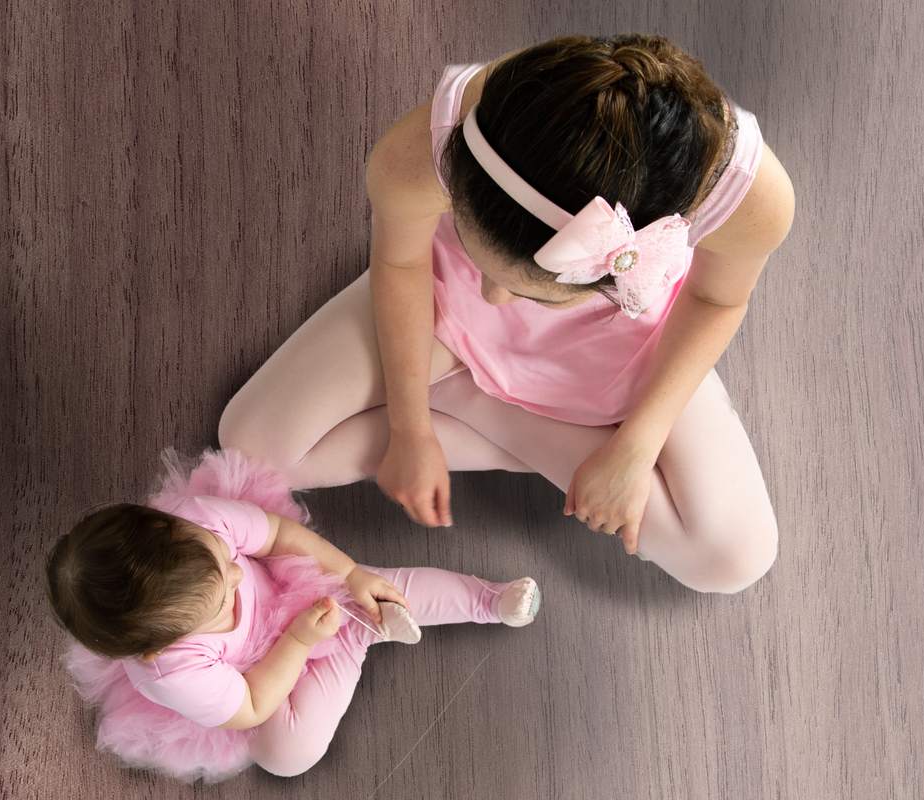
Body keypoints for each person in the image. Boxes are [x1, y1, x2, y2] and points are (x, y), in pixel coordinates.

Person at [219, 34, 794, 595]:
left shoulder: (751, 196)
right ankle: (500, 403)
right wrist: (410, 426)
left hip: (623, 337)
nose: (495, 296)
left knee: (735, 558)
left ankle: (474, 395)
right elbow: (401, 265)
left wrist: (635, 447)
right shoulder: (426, 146)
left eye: (532, 292)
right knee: (251, 446)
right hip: (440, 304)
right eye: (477, 253)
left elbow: (717, 299)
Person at [46, 449, 540, 782]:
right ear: (160, 646)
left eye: (224, 563)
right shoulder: (171, 671)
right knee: (285, 754)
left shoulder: (199, 522)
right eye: (221, 602)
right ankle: (354, 638)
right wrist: (301, 641)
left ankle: (486, 600)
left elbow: (279, 537)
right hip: (261, 674)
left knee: (376, 584)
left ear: (172, 525)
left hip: (287, 583)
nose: (238, 578)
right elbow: (256, 703)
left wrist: (348, 574)